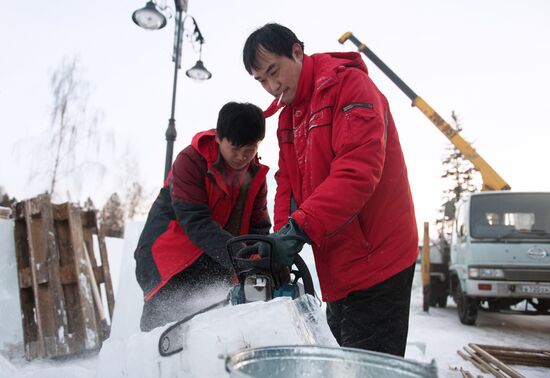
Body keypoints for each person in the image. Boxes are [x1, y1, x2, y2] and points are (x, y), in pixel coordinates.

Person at [243, 24, 419, 356]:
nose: (271, 86)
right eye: (261, 81)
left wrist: (299, 229)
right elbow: (288, 186)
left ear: (297, 51)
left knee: (364, 366)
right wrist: (282, 238)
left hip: (378, 255)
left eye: (273, 71)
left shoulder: (349, 86)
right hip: (338, 259)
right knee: (339, 360)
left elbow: (357, 172)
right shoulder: (289, 117)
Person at [134, 101, 271, 332]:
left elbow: (258, 226)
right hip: (171, 257)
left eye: (249, 150)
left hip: (217, 256)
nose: (241, 157)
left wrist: (261, 258)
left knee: (217, 328)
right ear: (219, 138)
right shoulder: (190, 161)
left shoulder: (255, 176)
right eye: (235, 149)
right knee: (162, 330)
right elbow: (195, 222)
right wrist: (241, 257)